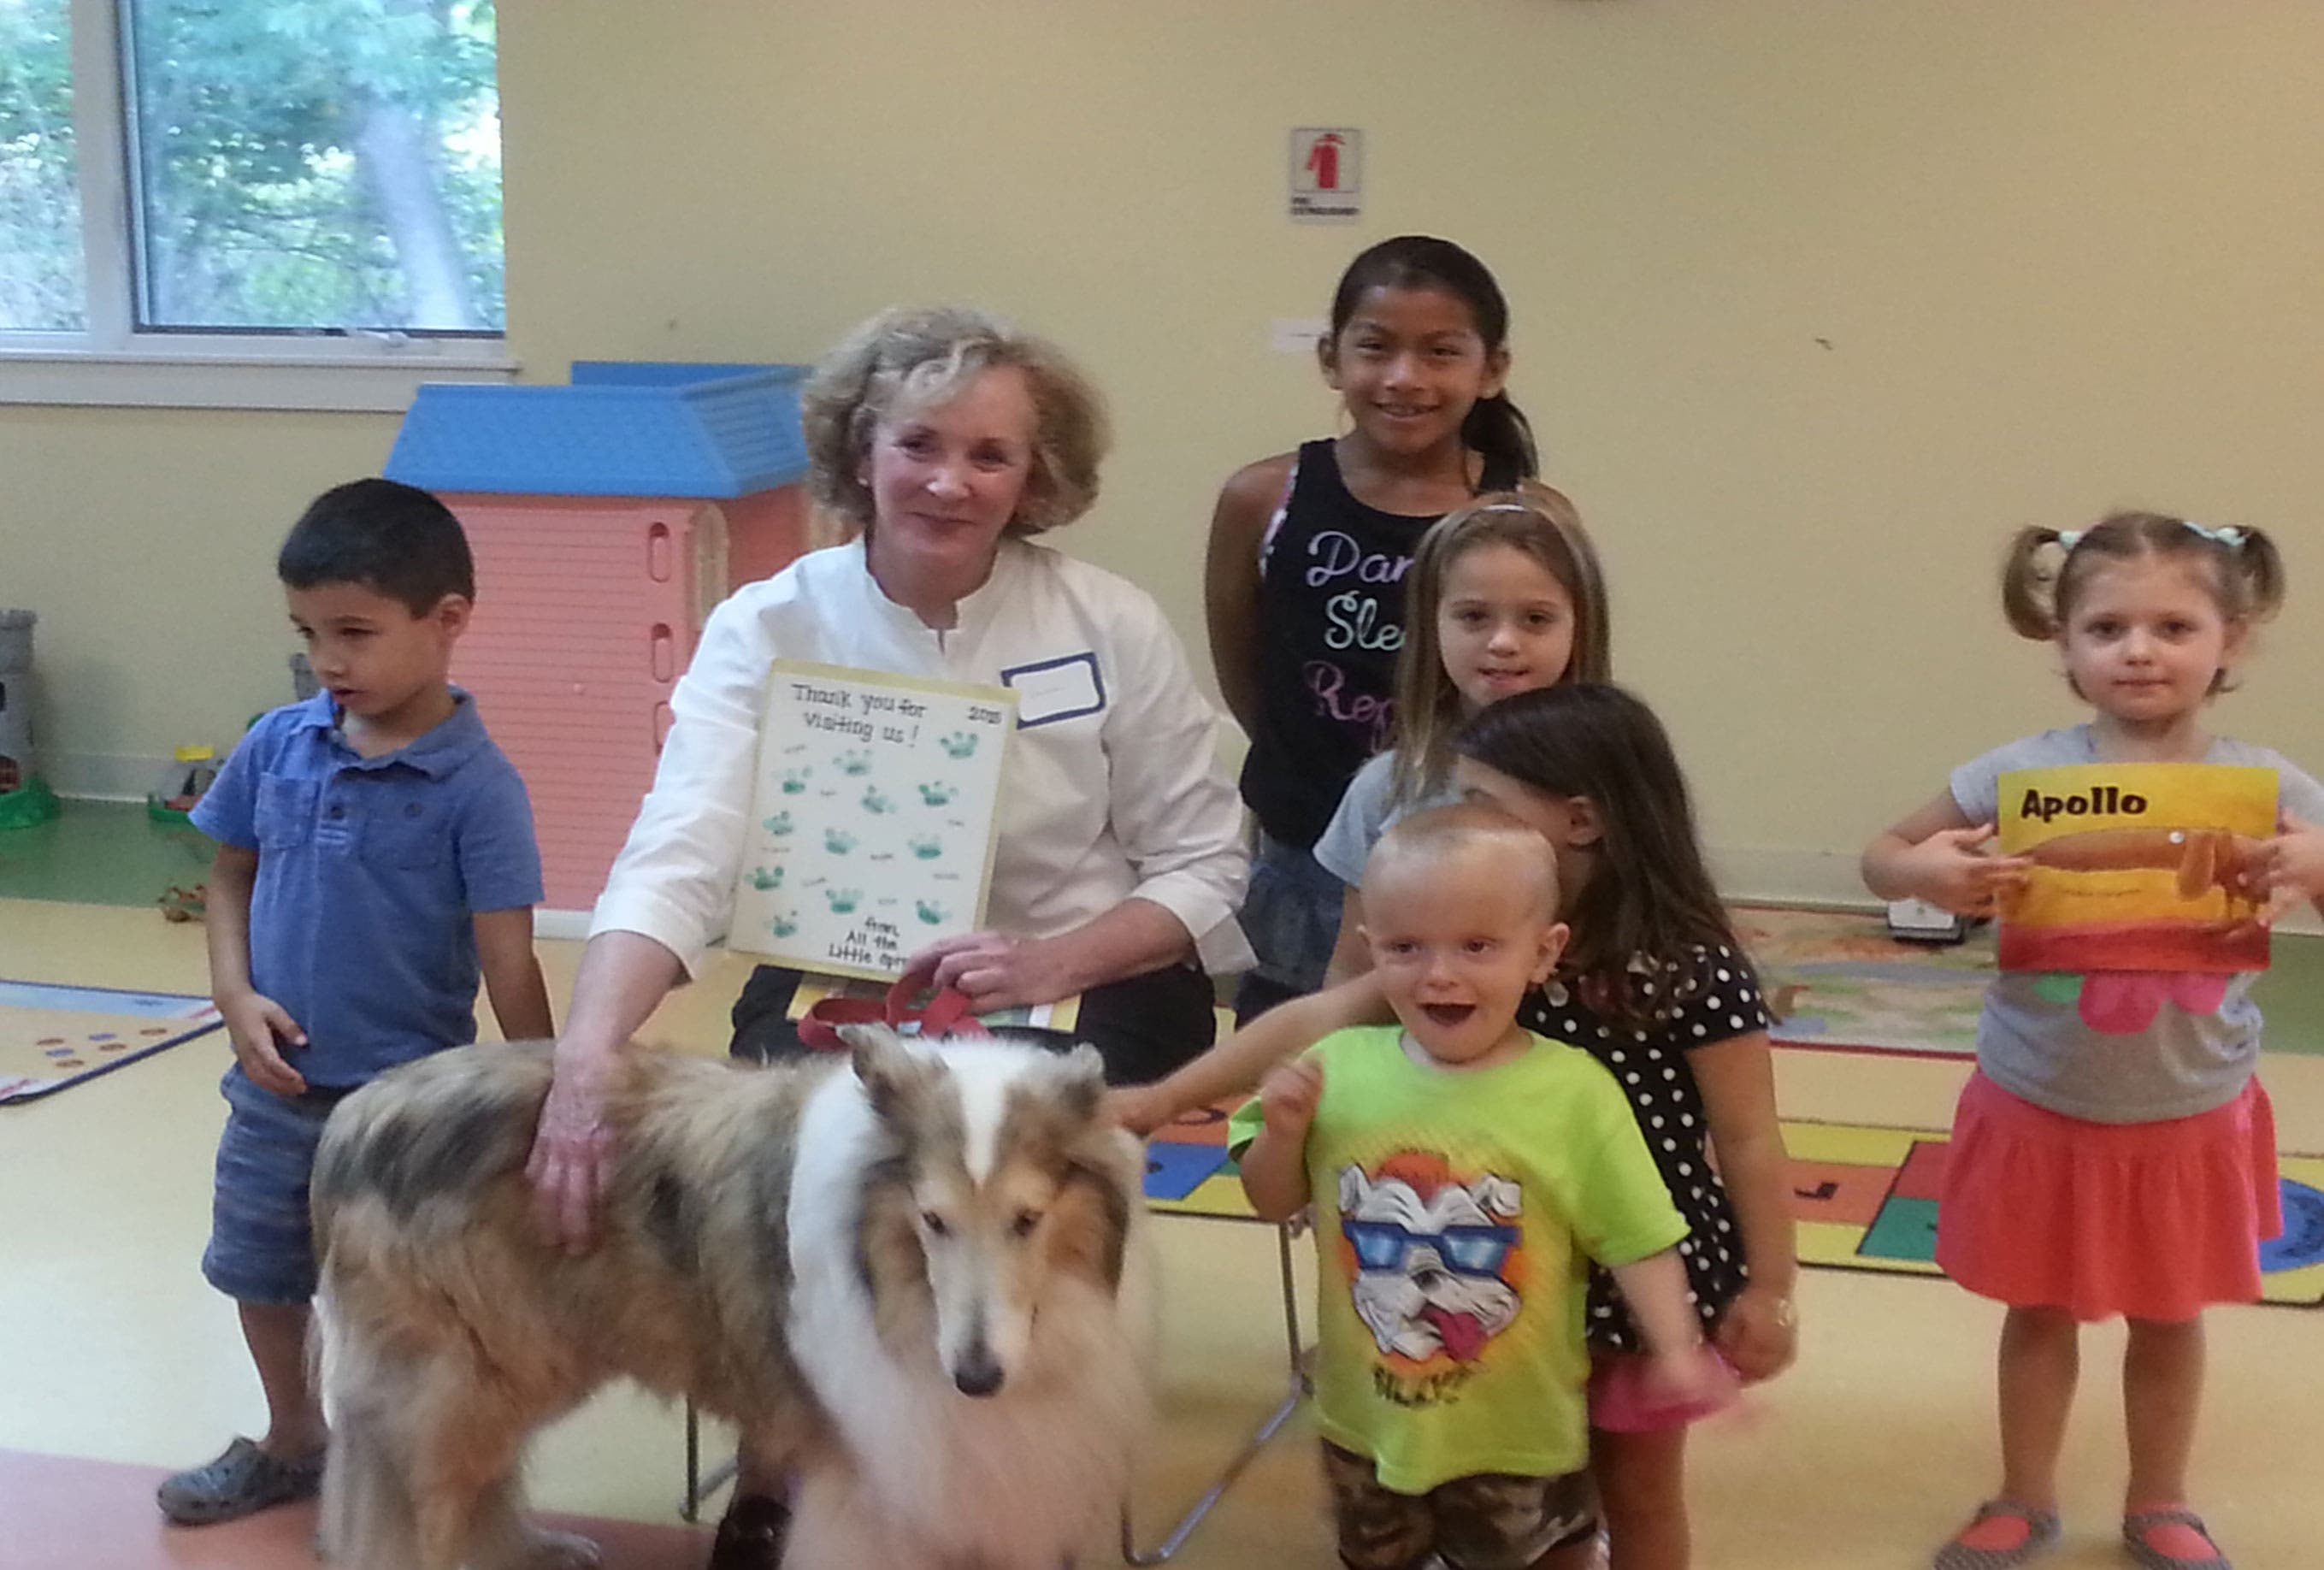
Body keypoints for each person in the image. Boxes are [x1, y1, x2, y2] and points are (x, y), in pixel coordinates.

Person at [525, 305, 1250, 1570]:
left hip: (1078, 979)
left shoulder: (1108, 621)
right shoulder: (769, 624)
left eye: (989, 454)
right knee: (798, 1154)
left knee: (996, 1160)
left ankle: (1026, 1499)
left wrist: (1052, 960)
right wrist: (586, 1056)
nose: (948, 482)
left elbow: (1205, 864)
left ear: (1035, 475)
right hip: (838, 979)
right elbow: (679, 854)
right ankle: (796, 1459)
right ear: (860, 451)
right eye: (918, 444)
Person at [1126, 684, 1796, 1570]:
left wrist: (1769, 1287)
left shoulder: (1688, 968)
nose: (1459, 817)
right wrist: (1163, 1100)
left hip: (1638, 1266)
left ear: (1582, 821)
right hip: (1504, 1254)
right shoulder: (1460, 946)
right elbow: (1310, 1022)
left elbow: (1748, 1139)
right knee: (1519, 1480)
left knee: (1634, 1490)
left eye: (1484, 800)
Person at [1864, 513, 2319, 1570]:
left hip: (2189, 1113)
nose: (2140, 651)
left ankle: (2161, 1500)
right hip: (2039, 1105)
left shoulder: (2272, 787)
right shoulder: (2015, 770)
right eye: (2108, 628)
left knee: (2170, 1318)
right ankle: (2023, 1495)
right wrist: (1926, 873)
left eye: (2174, 627)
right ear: (2063, 643)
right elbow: (1884, 853)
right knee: (2039, 1311)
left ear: (2231, 639)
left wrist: (2314, 865)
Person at [158, 478, 552, 1526]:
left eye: (355, 633)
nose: (328, 660)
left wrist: (553, 1093)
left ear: (448, 620)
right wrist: (234, 995)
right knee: (259, 1266)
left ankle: (402, 1480)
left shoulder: (480, 789)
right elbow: (228, 875)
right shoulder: (279, 743)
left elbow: (509, 960)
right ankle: (293, 1440)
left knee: (401, 1302)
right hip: (276, 1087)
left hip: (406, 1110)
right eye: (309, 633)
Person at [1233, 803, 1724, 1570]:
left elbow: (1637, 1238)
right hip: (1366, 1425)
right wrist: (1284, 1134)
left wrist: (1676, 1347)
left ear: (1543, 952)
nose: (1440, 974)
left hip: (1518, 1434)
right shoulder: (1337, 1068)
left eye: (1477, 946)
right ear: (1370, 948)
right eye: (1406, 947)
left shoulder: (1574, 1094)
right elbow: (1270, 1199)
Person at [1206, 236, 1581, 1019]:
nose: (1405, 377)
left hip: (1479, 858)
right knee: (1295, 1048)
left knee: (1457, 1048)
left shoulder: (1527, 515)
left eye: (1441, 352)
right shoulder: (1263, 499)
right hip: (1304, 846)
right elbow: (1245, 666)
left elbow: (1567, 689)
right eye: (1376, 348)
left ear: (1492, 369)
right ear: (1331, 358)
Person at [1312, 493, 1607, 981]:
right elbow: (1353, 969)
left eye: (1536, 619)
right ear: (1432, 624)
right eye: (1473, 617)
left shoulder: (1615, 782)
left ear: (1580, 625)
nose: (1503, 642)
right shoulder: (1388, 788)